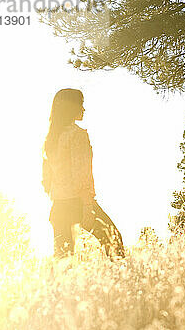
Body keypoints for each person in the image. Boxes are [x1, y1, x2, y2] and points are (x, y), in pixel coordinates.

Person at [42, 88, 125, 259]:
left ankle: (60, 287)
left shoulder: (51, 139)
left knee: (63, 262)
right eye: (81, 104)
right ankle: (125, 282)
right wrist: (87, 207)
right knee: (114, 241)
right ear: (71, 107)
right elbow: (81, 173)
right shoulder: (77, 135)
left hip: (58, 207)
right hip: (78, 203)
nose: (83, 109)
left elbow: (46, 181)